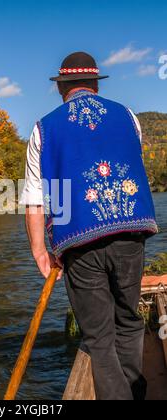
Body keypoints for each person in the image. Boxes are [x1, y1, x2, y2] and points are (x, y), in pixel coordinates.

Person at [20, 52, 158, 400]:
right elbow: (132, 163)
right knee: (129, 322)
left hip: (80, 241)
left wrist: (40, 251)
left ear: (61, 87)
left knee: (98, 337)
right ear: (96, 85)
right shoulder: (128, 117)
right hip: (130, 231)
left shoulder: (42, 128)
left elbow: (35, 199)